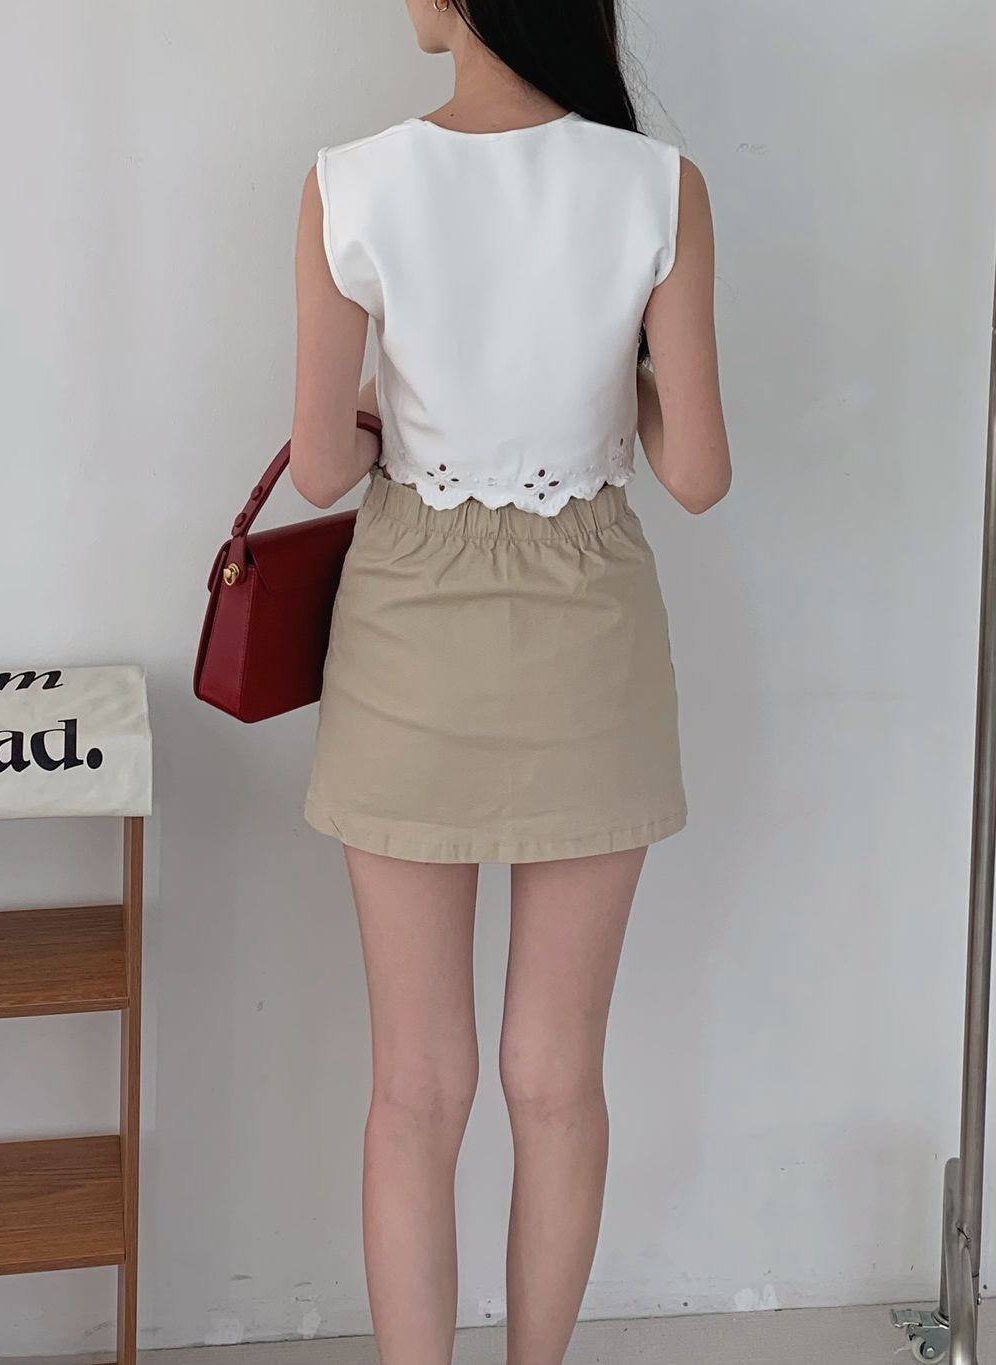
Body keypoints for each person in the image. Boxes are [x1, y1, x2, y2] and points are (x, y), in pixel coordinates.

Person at [289, 0, 731, 1361]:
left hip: (408, 642)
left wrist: (389, 416)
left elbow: (319, 469)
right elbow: (698, 474)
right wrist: (622, 382)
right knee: (557, 1080)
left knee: (414, 1090)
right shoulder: (658, 184)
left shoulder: (348, 183)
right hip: (589, 646)